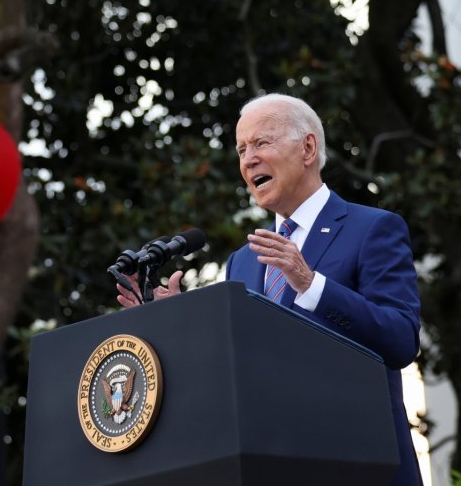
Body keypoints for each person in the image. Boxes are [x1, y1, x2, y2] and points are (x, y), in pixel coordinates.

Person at [116, 93, 423, 486]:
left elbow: (400, 340)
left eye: (262, 143)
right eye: (242, 149)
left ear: (308, 148)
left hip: (361, 467)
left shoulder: (373, 229)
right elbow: (235, 369)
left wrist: (312, 285)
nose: (248, 160)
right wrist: (179, 321)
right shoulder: (242, 262)